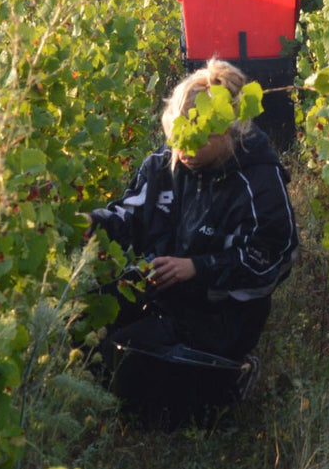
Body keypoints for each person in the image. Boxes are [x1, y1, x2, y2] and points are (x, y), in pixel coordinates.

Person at [87, 58, 299, 412]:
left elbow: (273, 258)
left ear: (224, 132)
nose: (181, 152)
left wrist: (199, 268)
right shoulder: (164, 164)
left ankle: (230, 376)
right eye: (175, 140)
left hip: (220, 318)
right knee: (88, 335)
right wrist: (92, 222)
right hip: (160, 297)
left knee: (141, 382)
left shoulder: (257, 178)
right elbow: (130, 216)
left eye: (191, 141)